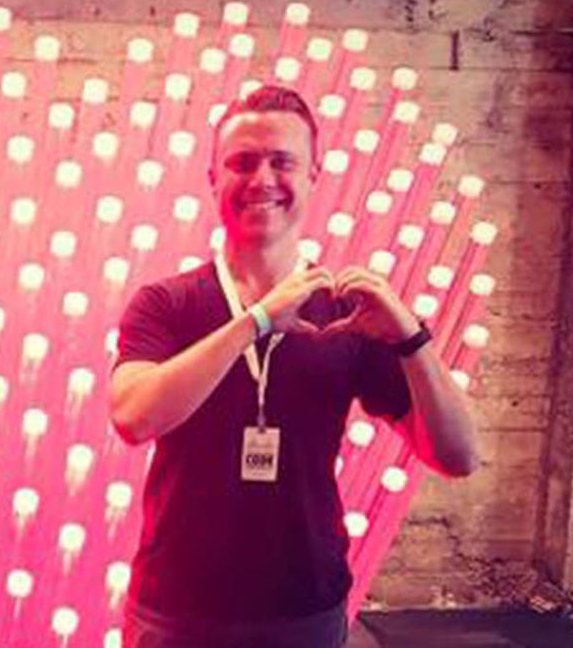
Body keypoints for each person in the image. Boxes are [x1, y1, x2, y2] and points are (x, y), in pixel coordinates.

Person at [109, 85, 481, 647]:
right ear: (213, 178)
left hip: (304, 608)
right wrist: (254, 321)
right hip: (176, 609)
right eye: (241, 162)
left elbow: (457, 456)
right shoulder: (167, 302)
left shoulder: (349, 314)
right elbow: (134, 418)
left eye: (282, 161)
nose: (261, 179)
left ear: (313, 175)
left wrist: (410, 338)